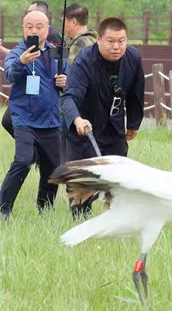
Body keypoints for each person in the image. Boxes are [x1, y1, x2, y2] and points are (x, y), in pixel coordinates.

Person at [60, 17, 145, 217]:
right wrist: (77, 119)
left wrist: (133, 123)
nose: (117, 46)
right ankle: (80, 223)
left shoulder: (133, 57)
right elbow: (68, 98)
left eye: (121, 41)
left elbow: (136, 93)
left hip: (114, 128)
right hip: (84, 129)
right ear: (98, 39)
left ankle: (112, 224)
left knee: (116, 181)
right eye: (110, 41)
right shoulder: (84, 61)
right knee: (83, 186)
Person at [0, 11, 67, 219]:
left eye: (39, 26)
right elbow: (9, 73)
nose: (34, 31)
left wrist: (65, 81)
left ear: (48, 29)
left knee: (53, 168)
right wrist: (22, 62)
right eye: (29, 26)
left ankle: (44, 210)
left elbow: (68, 78)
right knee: (23, 160)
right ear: (23, 29)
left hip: (51, 120)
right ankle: (3, 209)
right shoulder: (17, 53)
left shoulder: (57, 53)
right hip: (24, 119)